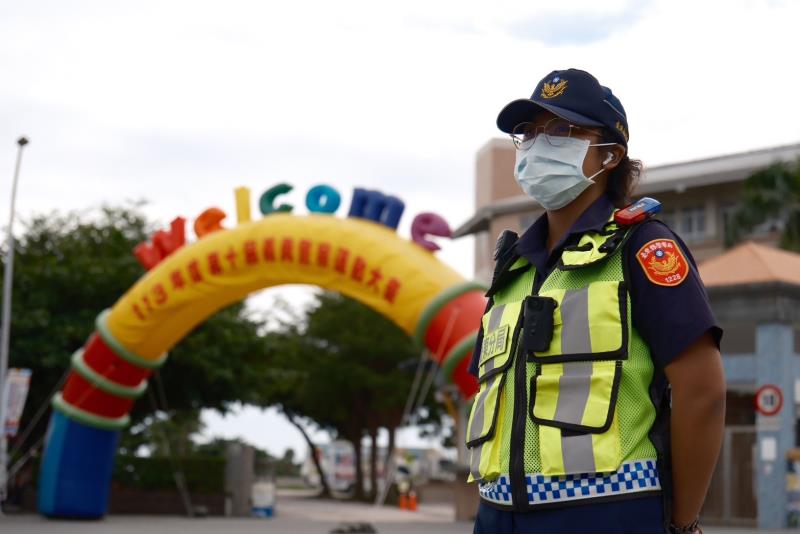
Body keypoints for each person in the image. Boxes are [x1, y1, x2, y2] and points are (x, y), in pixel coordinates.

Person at [466, 68, 726, 534]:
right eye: (529, 132)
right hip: (496, 517)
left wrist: (682, 524)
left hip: (608, 514)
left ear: (610, 154)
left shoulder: (642, 246)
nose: (538, 144)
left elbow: (702, 392)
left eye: (562, 130)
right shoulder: (512, 269)